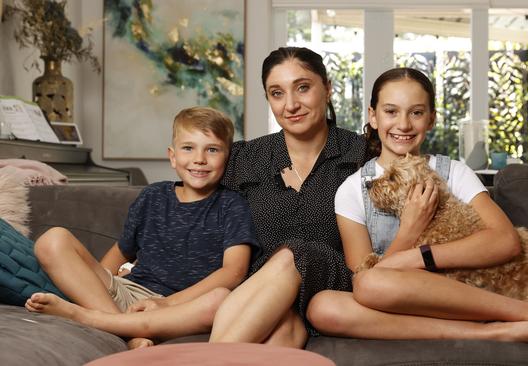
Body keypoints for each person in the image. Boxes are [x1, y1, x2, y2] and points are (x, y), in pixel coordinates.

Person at [23, 47, 366, 348]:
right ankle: (161, 343)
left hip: (326, 286)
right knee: (272, 346)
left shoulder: (363, 154)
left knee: (296, 252)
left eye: (302, 88)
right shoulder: (244, 158)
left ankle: (104, 322)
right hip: (259, 296)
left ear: (328, 88)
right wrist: (125, 274)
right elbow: (192, 189)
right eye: (277, 93)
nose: (291, 104)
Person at [306, 67, 528, 348]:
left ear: (431, 119)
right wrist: (410, 230)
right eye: (391, 111)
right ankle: (501, 330)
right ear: (373, 117)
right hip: (395, 300)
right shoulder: (353, 189)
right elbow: (364, 283)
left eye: (416, 112)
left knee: (368, 284)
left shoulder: (454, 173)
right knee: (324, 306)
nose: (403, 124)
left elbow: (506, 241)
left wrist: (418, 258)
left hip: (462, 295)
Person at [26, 106, 259, 347]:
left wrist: (168, 303)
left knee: (220, 300)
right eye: (188, 148)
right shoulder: (153, 196)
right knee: (52, 240)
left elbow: (234, 272)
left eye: (212, 149)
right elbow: (118, 255)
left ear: (227, 158)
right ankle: (127, 332)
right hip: (129, 294)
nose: (199, 159)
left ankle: (97, 320)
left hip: (179, 308)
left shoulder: (232, 205)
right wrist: (100, 284)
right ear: (172, 156)